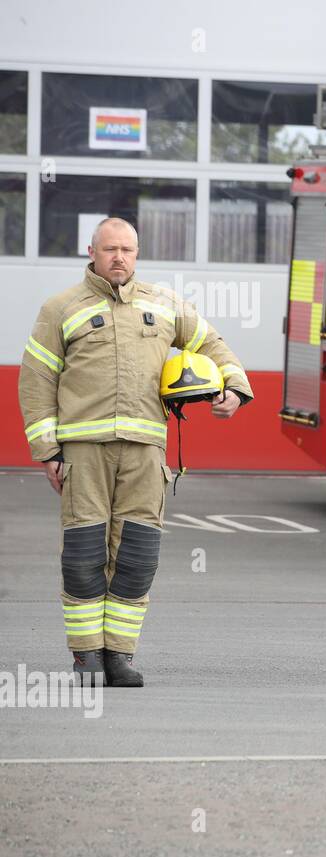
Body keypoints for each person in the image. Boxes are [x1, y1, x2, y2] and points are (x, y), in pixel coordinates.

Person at [18, 218, 254, 687]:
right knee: (85, 555)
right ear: (92, 251)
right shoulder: (60, 308)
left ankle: (120, 656)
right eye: (110, 249)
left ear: (137, 253)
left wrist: (234, 385)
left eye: (127, 249)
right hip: (83, 452)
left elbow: (211, 342)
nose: (118, 257)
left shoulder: (164, 305)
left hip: (147, 453)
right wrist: (48, 450)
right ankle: (86, 657)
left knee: (137, 555)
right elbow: (37, 379)